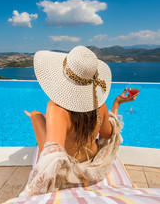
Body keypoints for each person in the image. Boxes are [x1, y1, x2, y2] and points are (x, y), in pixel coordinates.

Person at [21, 45, 138, 196]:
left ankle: (38, 117)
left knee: (36, 115)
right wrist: (117, 103)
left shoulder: (57, 108)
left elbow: (52, 158)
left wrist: (38, 119)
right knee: (44, 118)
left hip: (69, 168)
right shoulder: (99, 104)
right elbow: (109, 134)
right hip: (93, 159)